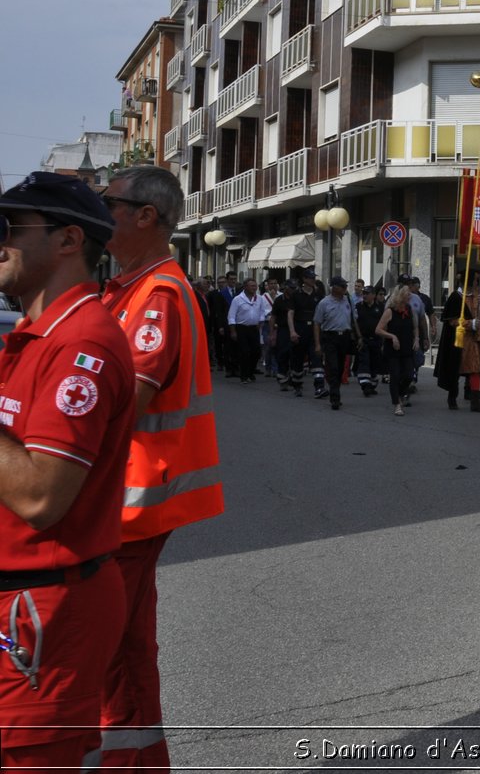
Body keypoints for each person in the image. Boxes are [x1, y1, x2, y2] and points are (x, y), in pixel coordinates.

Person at [0, 173, 136, 771]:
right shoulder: (35, 336)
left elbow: (39, 496)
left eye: (10, 227)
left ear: (67, 240)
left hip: (43, 611)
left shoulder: (82, 343)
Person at [98, 165, 225, 769]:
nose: (100, 213)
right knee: (120, 649)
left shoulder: (159, 296)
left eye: (110, 203)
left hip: (133, 498)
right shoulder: (131, 287)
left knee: (106, 653)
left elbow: (117, 406)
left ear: (146, 216)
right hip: (125, 498)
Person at [435, 273, 480, 412]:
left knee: (475, 369)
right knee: (455, 369)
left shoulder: (478, 297)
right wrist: (470, 323)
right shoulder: (455, 298)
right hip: (458, 341)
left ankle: (475, 401)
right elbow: (452, 321)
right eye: (475, 281)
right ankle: (452, 397)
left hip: (474, 341)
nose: (477, 284)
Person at [312, 276, 360, 411]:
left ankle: (335, 387)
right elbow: (317, 323)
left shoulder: (348, 301)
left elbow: (354, 320)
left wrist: (359, 336)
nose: (345, 288)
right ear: (334, 288)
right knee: (333, 366)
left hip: (344, 337)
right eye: (342, 286)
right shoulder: (324, 303)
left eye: (345, 285)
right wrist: (317, 344)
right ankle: (335, 397)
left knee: (340, 368)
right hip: (330, 337)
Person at [376, 284, 418, 416]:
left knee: (409, 375)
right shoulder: (390, 311)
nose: (409, 295)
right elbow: (378, 330)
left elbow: (415, 327)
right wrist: (392, 336)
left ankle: (399, 393)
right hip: (393, 348)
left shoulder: (409, 309)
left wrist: (416, 339)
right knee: (395, 376)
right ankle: (397, 404)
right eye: (407, 293)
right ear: (400, 295)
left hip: (407, 348)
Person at [226, 278, 270, 383]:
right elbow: (231, 316)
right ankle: (244, 375)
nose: (254, 288)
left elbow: (262, 312)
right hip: (241, 328)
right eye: (251, 286)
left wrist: (261, 322)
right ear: (245, 287)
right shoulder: (238, 299)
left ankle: (251, 371)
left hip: (254, 328)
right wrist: (233, 331)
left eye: (255, 286)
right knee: (244, 352)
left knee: (256, 352)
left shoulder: (259, 298)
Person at [283, 274, 319, 397]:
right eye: (310, 277)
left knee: (316, 357)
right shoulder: (296, 294)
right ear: (304, 279)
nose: (313, 280)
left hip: (314, 329)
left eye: (314, 278)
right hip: (300, 328)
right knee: (298, 358)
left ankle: (319, 387)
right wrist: (292, 331)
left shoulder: (318, 294)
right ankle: (297, 384)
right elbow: (290, 314)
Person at [353, 285, 386, 397]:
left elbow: (385, 324)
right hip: (364, 340)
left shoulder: (381, 307)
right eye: (364, 293)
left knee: (374, 363)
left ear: (373, 295)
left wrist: (384, 340)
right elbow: (355, 322)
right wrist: (359, 337)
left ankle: (371, 385)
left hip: (376, 340)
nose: (365, 295)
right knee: (364, 361)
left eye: (367, 293)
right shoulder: (358, 306)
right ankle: (365, 385)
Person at [261, 278, 281, 378]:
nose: (273, 285)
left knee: (276, 346)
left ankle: (275, 369)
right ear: (267, 285)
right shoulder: (263, 297)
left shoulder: (281, 296)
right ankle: (268, 368)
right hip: (267, 323)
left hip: (279, 323)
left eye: (275, 283)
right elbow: (262, 311)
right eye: (271, 284)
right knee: (268, 345)